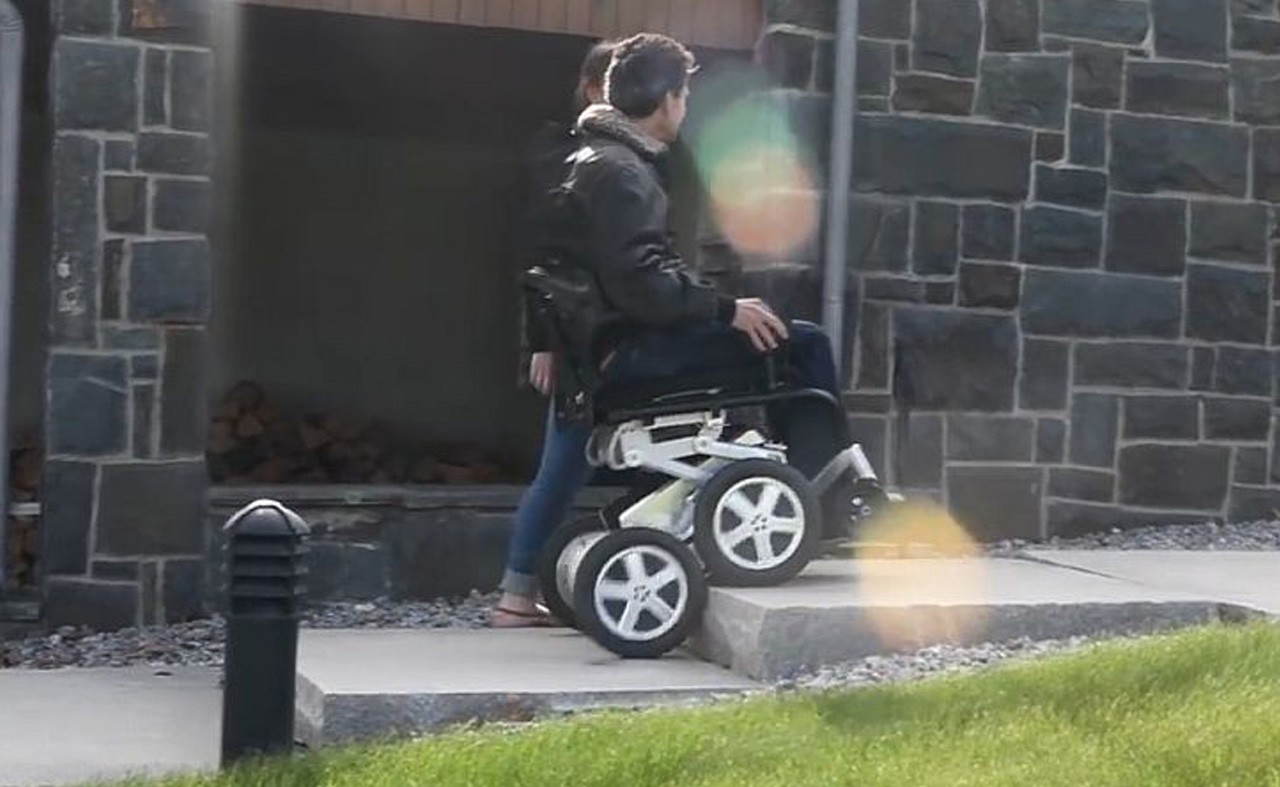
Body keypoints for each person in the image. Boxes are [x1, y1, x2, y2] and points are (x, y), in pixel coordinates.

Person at [491, 33, 843, 628]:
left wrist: (549, 339)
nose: (686, 107)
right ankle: (820, 498)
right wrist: (725, 311)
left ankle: (516, 594)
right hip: (627, 352)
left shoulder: (582, 160)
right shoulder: (624, 173)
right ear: (664, 100)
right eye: (684, 95)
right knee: (802, 341)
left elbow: (567, 267)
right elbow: (643, 284)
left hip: (593, 352)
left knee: (561, 466)